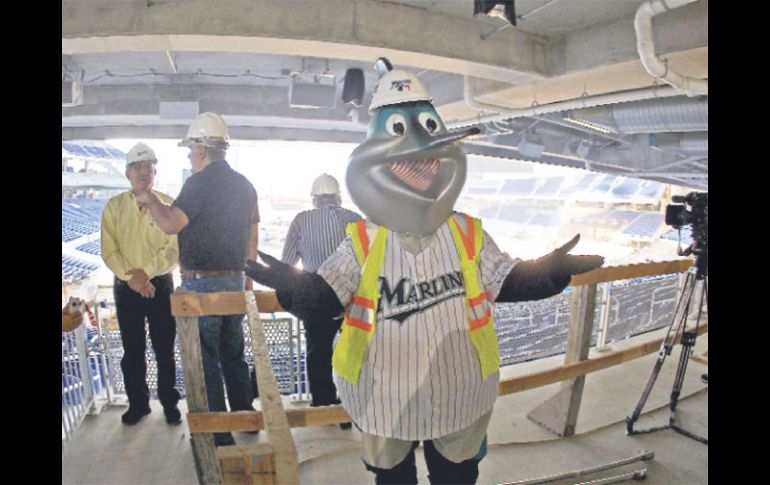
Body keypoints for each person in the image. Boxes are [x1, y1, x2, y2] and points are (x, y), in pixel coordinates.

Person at [246, 59, 604, 483]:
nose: (421, 164)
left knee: (455, 477)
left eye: (429, 157)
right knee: (394, 480)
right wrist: (295, 286)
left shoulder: (467, 232)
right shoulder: (363, 239)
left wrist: (549, 271)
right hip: (384, 398)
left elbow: (504, 279)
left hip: (459, 394)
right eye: (405, 159)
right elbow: (327, 296)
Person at [136, 113, 259, 447]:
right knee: (234, 352)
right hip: (235, 282)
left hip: (201, 285)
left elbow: (172, 223)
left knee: (207, 358)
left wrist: (151, 201)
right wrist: (247, 279)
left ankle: (219, 432)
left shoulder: (198, 183)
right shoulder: (245, 185)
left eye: (191, 150)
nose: (190, 157)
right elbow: (252, 236)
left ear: (203, 149)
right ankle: (246, 416)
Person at [101, 142, 182, 426]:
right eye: (137, 167)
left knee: (164, 348)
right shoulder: (114, 208)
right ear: (127, 174)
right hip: (127, 288)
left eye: (149, 167)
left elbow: (173, 250)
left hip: (159, 284)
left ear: (155, 172)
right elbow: (109, 250)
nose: (144, 172)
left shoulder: (168, 205)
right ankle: (138, 404)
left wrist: (144, 274)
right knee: (132, 349)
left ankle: (170, 403)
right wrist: (133, 278)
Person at [281, 174, 361, 426]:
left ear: (314, 199)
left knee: (318, 353)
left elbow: (286, 265)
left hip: (317, 298)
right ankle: (350, 409)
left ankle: (323, 408)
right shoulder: (355, 220)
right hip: (354, 299)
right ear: (338, 198)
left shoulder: (302, 220)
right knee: (354, 351)